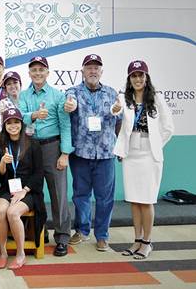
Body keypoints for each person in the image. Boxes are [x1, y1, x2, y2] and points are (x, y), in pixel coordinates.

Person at [113, 60, 174, 259]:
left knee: (146, 201)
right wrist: (114, 110)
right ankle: (136, 240)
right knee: (134, 200)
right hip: (131, 154)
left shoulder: (156, 98)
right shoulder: (125, 98)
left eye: (141, 75)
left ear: (146, 77)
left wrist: (155, 144)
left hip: (150, 153)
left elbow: (168, 128)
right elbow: (114, 112)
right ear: (129, 79)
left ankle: (147, 242)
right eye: (134, 76)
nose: (137, 79)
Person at [64, 54, 121, 251]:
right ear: (82, 71)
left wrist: (114, 143)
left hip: (105, 154)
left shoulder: (112, 93)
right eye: (89, 67)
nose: (93, 71)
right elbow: (68, 103)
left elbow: (119, 120)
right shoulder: (73, 92)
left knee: (105, 197)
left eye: (96, 67)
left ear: (101, 71)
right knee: (81, 195)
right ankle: (82, 230)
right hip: (80, 154)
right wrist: (69, 105)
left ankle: (102, 235)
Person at [19, 56, 73, 257]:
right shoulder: (24, 95)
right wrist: (34, 115)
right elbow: (20, 115)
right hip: (30, 148)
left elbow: (65, 125)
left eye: (41, 70)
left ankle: (62, 237)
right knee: (32, 191)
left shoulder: (58, 96)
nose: (37, 73)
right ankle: (39, 232)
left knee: (58, 193)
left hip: (52, 146)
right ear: (29, 73)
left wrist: (65, 153)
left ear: (48, 72)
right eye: (34, 70)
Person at [0, 108, 45, 270]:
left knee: (12, 212)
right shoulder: (0, 144)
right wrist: (2, 163)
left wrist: (24, 190)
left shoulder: (33, 143)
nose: (13, 125)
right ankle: (3, 252)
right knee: (1, 210)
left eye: (16, 122)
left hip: (29, 190)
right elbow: (0, 177)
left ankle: (20, 254)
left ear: (21, 124)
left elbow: (39, 173)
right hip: (7, 188)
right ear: (5, 125)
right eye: (9, 123)